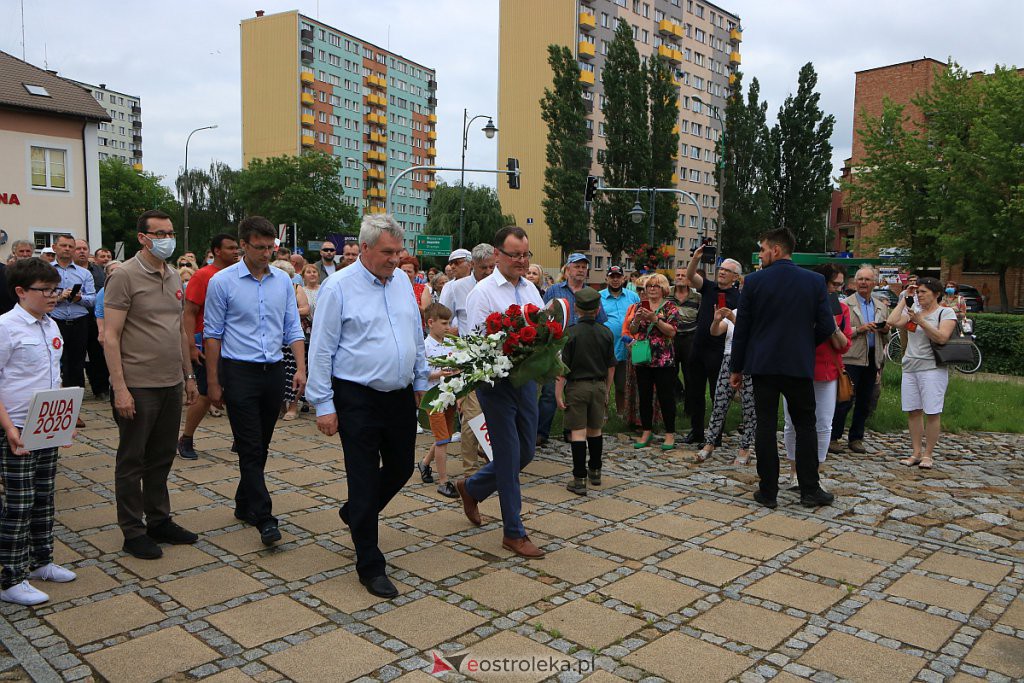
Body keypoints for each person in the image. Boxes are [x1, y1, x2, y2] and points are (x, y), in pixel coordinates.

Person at [306, 214, 428, 599]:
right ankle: (370, 564)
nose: (395, 259)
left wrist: (421, 380)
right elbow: (321, 349)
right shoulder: (338, 287)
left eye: (399, 251)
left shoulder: (403, 282)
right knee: (361, 477)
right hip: (356, 396)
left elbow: (415, 334)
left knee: (401, 467)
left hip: (398, 394)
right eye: (388, 252)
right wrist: (323, 403)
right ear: (365, 248)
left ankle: (356, 513)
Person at [103, 210, 200, 559]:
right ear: (142, 238)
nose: (166, 240)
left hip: (170, 381)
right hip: (138, 384)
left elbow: (178, 331)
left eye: (170, 233)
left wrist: (189, 377)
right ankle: (133, 530)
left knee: (161, 458)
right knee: (132, 460)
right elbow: (111, 337)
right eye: (159, 234)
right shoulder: (125, 276)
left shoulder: (174, 276)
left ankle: (159, 520)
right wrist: (120, 388)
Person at [204, 217, 306, 546]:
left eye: (270, 247)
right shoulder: (223, 282)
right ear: (243, 245)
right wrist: (214, 382)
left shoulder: (281, 282)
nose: (266, 253)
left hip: (274, 371)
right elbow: (212, 335)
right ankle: (265, 517)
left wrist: (300, 370)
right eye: (259, 247)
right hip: (239, 371)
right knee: (249, 447)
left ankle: (243, 502)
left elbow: (293, 328)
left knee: (260, 445)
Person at [455, 226, 546, 559]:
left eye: (526, 255)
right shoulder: (482, 293)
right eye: (515, 255)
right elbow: (476, 344)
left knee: (526, 454)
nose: (522, 262)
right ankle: (514, 532)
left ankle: (472, 486)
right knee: (508, 457)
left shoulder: (532, 289)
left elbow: (542, 328)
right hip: (496, 384)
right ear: (498, 255)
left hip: (527, 380)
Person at [730, 228, 838, 510]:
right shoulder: (814, 281)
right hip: (798, 365)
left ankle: (768, 492)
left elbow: (742, 330)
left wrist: (736, 367)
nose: (761, 255)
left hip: (763, 365)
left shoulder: (753, 282)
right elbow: (827, 326)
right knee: (805, 426)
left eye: (763, 250)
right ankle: (810, 490)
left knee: (765, 426)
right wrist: (803, 344)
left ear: (776, 250)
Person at [0, 258, 77, 605]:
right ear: (20, 291)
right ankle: (10, 576)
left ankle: (40, 561)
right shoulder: (6, 327)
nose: (53, 296)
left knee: (45, 496)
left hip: (45, 425)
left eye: (55, 289)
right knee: (19, 503)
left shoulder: (51, 326)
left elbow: (54, 377)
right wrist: (8, 429)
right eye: (44, 290)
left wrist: (63, 421)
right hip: (16, 426)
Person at [782, 265, 852, 479]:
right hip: (797, 369)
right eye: (834, 284)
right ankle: (794, 471)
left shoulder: (841, 309)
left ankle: (816, 471)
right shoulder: (799, 305)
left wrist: (831, 325)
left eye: (840, 285)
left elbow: (844, 345)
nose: (837, 290)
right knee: (792, 422)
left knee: (823, 423)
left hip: (827, 371)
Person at [176, 234, 239, 461]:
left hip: (233, 343)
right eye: (231, 248)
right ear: (217, 251)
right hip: (206, 342)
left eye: (237, 248)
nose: (236, 252)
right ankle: (186, 438)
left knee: (236, 392)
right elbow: (190, 312)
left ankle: (239, 438)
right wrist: (192, 345)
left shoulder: (238, 274)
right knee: (204, 394)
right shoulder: (203, 275)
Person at [887, 277, 957, 470]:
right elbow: (892, 321)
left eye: (923, 292)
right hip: (910, 367)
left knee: (932, 411)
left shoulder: (946, 312)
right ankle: (916, 452)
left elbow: (942, 337)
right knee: (913, 411)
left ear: (936, 294)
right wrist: (905, 299)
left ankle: (928, 454)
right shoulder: (914, 312)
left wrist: (922, 322)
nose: (920, 295)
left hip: (932, 368)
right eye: (918, 292)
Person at [438, 243, 495, 474]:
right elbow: (441, 320)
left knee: (493, 415)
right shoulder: (456, 287)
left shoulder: (497, 286)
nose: (489, 272)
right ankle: (470, 471)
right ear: (472, 265)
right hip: (468, 360)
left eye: (493, 267)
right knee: (472, 418)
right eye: (484, 268)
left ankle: (493, 462)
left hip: (497, 360)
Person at [539, 253, 607, 445]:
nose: (581, 270)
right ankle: (541, 432)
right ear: (567, 269)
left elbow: (600, 321)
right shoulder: (554, 291)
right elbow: (544, 318)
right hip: (558, 348)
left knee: (576, 390)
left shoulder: (592, 294)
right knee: (550, 391)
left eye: (584, 267)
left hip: (583, 350)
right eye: (577, 266)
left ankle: (572, 430)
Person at [556, 287, 616, 495]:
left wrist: (558, 393)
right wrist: (607, 390)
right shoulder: (606, 332)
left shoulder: (570, 333)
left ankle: (579, 478)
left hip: (577, 387)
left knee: (578, 432)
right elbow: (611, 366)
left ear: (576, 308)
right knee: (595, 430)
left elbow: (562, 369)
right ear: (598, 308)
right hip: (598, 385)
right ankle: (596, 471)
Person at [683, 246, 742, 444]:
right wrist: (696, 258)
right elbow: (691, 276)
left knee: (718, 394)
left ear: (735, 277)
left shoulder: (738, 297)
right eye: (721, 269)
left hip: (720, 351)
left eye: (727, 270)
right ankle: (696, 431)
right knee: (695, 392)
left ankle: (716, 434)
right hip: (699, 347)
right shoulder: (709, 287)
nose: (722, 272)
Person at [830, 266, 889, 454]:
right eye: (860, 279)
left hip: (872, 357)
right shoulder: (845, 304)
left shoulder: (881, 306)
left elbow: (886, 337)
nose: (864, 283)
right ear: (855, 283)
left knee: (865, 400)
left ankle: (856, 437)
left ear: (874, 283)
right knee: (844, 399)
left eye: (867, 279)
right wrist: (860, 329)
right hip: (851, 357)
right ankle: (834, 437)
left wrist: (885, 330)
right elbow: (837, 331)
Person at [694, 305, 756, 465]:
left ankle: (745, 448)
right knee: (719, 403)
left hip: (750, 361)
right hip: (729, 358)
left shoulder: (759, 312)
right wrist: (716, 321)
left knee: (749, 407)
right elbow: (715, 332)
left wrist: (734, 320)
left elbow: (755, 335)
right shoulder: (735, 311)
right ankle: (709, 444)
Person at [627, 274, 682, 450]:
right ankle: (646, 430)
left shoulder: (670, 307)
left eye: (655, 286)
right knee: (644, 396)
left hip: (663, 359)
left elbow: (672, 332)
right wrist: (636, 319)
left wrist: (654, 319)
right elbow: (633, 330)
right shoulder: (638, 306)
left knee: (666, 397)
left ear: (664, 289)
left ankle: (670, 433)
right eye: (649, 286)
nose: (651, 289)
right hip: (643, 358)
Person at [50, 234, 96, 425]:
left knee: (76, 367)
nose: (67, 249)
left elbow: (93, 299)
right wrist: (59, 297)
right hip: (55, 321)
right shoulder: (46, 271)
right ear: (55, 247)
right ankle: (53, 410)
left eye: (71, 246)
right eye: (63, 246)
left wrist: (79, 298)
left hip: (79, 321)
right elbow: (39, 293)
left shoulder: (84, 273)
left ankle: (74, 412)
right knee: (55, 365)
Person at [417, 303, 461, 498]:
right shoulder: (424, 346)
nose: (447, 326)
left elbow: (458, 365)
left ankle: (425, 463)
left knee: (445, 436)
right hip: (433, 398)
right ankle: (443, 481)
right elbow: (421, 373)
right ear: (430, 323)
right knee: (442, 440)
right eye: (443, 323)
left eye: (449, 322)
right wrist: (439, 373)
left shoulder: (451, 343)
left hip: (450, 394)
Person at [600, 265, 640, 418]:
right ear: (607, 279)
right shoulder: (599, 297)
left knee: (622, 385)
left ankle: (621, 413)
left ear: (624, 279)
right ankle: (602, 414)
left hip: (626, 348)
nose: (615, 280)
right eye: (612, 277)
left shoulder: (632, 297)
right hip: (605, 348)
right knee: (603, 384)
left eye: (618, 277)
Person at [271, 260, 309, 421]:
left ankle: (293, 406)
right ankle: (279, 406)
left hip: (292, 339)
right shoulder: (268, 288)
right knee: (279, 374)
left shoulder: (296, 288)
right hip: (275, 339)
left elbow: (306, 308)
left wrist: (289, 311)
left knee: (294, 372)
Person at [668, 267, 701, 399]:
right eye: (678, 275)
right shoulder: (666, 294)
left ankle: (690, 407)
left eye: (683, 275)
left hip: (690, 339)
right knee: (670, 373)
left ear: (689, 279)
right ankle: (674, 400)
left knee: (690, 374)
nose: (680, 277)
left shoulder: (697, 297)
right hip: (671, 338)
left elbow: (701, 318)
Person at [94, 260, 123, 346]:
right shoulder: (103, 291)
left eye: (120, 270)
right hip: (111, 331)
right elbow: (99, 313)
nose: (117, 273)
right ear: (107, 275)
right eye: (113, 270)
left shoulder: (132, 288)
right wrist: (101, 333)